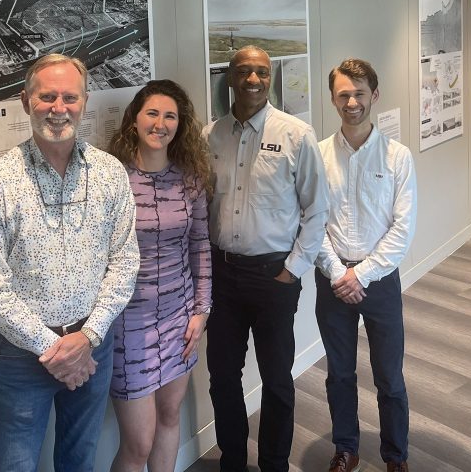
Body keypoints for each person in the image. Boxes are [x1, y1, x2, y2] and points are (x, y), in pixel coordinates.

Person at [0, 54, 140, 472]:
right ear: (26, 102)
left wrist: (88, 338)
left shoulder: (110, 173)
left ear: (84, 101)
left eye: (69, 97)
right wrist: (54, 350)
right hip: (21, 357)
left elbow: (125, 261)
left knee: (80, 461)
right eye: (47, 97)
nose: (58, 108)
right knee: (15, 466)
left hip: (91, 346)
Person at [203, 45, 329, 472]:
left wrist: (292, 270)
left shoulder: (297, 134)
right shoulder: (211, 135)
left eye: (260, 72)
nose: (252, 80)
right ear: (231, 77)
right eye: (244, 72)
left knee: (276, 381)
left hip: (273, 275)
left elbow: (317, 209)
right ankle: (233, 461)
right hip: (223, 276)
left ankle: (274, 464)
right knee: (222, 379)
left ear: (270, 77)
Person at [107, 80, 213, 472]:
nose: (160, 123)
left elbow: (200, 246)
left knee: (170, 418)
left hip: (180, 317)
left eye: (170, 115)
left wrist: (200, 312)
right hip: (127, 323)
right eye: (152, 113)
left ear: (179, 125)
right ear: (134, 119)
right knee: (138, 442)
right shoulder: (111, 179)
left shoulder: (190, 179)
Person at [316, 59, 416, 472]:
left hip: (380, 282)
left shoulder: (397, 157)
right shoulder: (318, 155)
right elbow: (310, 223)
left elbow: (403, 228)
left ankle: (396, 456)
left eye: (359, 93)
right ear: (333, 99)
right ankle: (346, 449)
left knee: (389, 378)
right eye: (344, 94)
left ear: (375, 95)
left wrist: (363, 273)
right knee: (339, 374)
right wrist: (340, 274)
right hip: (333, 282)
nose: (352, 102)